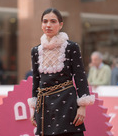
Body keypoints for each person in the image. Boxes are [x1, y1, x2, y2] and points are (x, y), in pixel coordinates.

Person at [27, 8, 95, 136]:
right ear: (41, 24)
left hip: (67, 103)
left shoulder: (71, 47)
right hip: (44, 105)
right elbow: (36, 80)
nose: (48, 25)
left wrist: (83, 107)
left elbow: (80, 77)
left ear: (60, 25)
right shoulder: (35, 51)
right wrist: (33, 108)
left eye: (53, 21)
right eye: (45, 21)